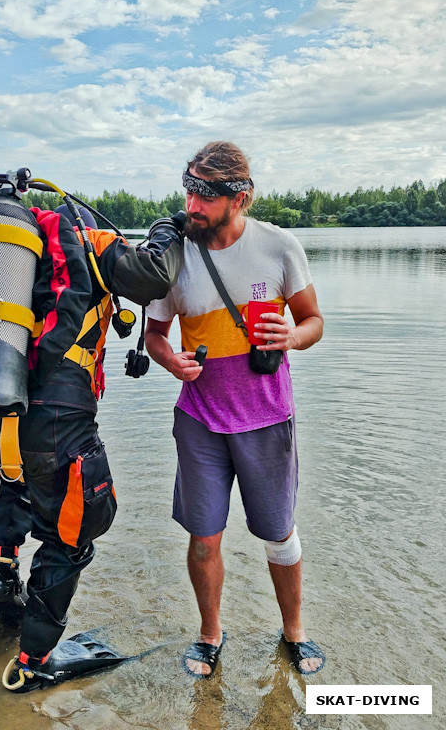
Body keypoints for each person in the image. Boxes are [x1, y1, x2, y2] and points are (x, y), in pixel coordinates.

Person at [0, 180, 185, 692]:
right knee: (77, 529)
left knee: (17, 479)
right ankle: (34, 658)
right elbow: (154, 274)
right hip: (56, 423)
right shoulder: (88, 241)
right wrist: (168, 229)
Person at [144, 141, 325, 678]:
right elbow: (156, 335)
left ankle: (294, 630)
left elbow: (314, 321)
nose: (191, 204)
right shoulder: (174, 254)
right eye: (188, 189)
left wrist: (292, 336)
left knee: (279, 532)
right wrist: (171, 361)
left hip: (268, 416)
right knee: (204, 537)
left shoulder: (279, 247)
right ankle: (209, 634)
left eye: (204, 194)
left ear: (239, 197)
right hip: (200, 417)